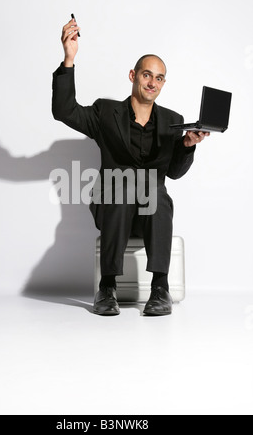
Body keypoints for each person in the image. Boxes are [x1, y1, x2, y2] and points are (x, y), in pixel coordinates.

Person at [52, 17, 209, 317]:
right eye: (147, 75)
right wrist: (69, 59)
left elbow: (174, 172)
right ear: (133, 75)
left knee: (156, 192)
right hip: (113, 209)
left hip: (151, 214)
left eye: (159, 78)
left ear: (163, 84)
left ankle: (159, 288)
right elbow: (64, 110)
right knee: (122, 189)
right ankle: (107, 287)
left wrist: (187, 145)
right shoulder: (105, 112)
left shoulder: (172, 121)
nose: (152, 83)